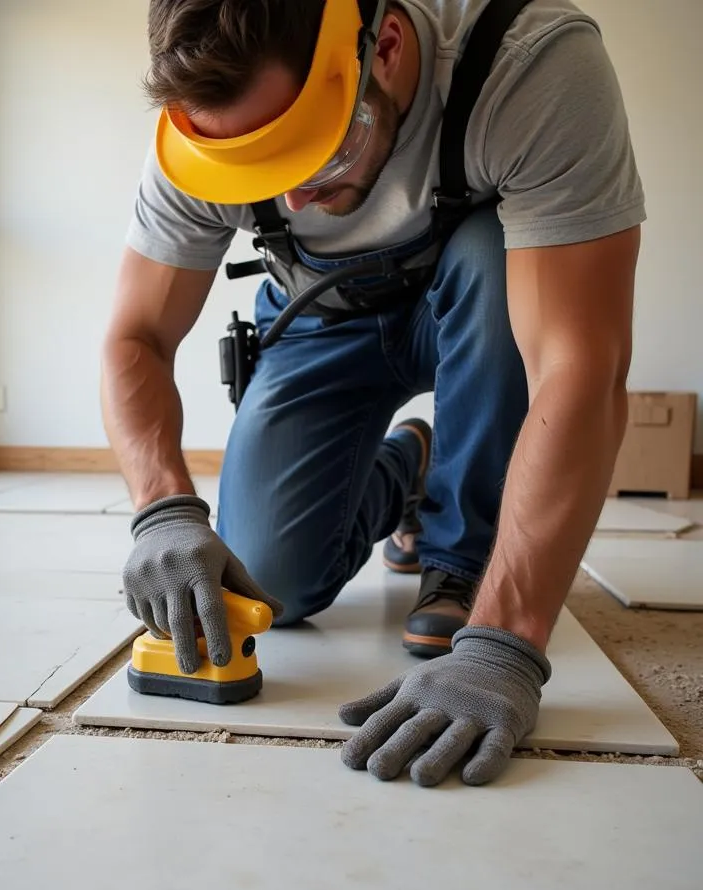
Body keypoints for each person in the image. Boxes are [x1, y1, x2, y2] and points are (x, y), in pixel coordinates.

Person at [99, 0, 644, 786]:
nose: (292, 202)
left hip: (485, 302)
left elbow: (579, 366)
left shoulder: (528, 64)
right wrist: (163, 509)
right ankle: (409, 467)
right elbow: (135, 338)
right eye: (262, 174)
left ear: (383, 46)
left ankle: (461, 555)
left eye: (314, 158)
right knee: (269, 582)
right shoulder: (206, 135)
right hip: (322, 319)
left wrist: (504, 642)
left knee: (495, 255)